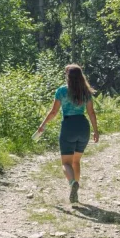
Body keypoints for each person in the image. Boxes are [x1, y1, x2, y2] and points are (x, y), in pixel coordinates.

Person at [37, 63, 99, 203]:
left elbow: (54, 112)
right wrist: (96, 131)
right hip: (83, 126)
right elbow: (91, 113)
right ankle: (75, 190)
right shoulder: (86, 92)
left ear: (68, 77)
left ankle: (72, 183)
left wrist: (43, 124)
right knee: (76, 161)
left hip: (69, 126)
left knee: (66, 163)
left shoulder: (61, 91)